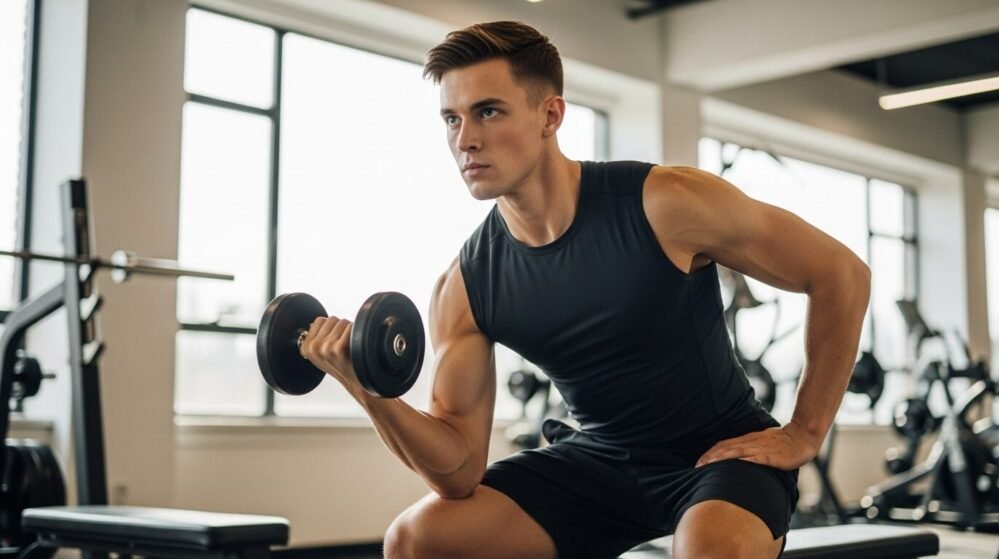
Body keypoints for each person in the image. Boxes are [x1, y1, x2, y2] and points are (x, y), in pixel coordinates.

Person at [299, 21, 871, 559]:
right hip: (599, 464)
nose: (465, 139)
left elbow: (841, 275)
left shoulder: (665, 203)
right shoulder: (467, 284)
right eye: (451, 119)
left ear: (550, 115)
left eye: (488, 111)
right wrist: (367, 388)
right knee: (416, 539)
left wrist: (804, 431)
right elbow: (459, 471)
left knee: (708, 549)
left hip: (720, 455)